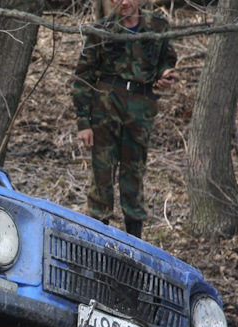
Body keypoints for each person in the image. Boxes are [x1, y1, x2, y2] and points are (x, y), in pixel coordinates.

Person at [72, 0, 177, 239]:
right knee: (102, 175)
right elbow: (83, 77)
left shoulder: (158, 26)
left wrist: (165, 75)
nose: (124, 2)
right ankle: (98, 239)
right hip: (105, 108)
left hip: (140, 107)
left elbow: (167, 60)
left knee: (134, 172)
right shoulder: (101, 30)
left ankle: (134, 239)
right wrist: (83, 123)